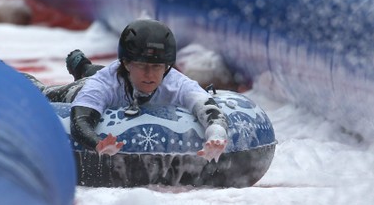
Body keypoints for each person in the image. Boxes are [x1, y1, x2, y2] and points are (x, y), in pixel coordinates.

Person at [29, 19, 229, 162]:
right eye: (142, 65)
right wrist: (97, 143)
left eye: (157, 66)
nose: (150, 74)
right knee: (45, 94)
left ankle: (83, 66)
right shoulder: (103, 83)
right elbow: (80, 119)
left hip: (114, 77)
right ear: (125, 63)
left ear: (167, 66)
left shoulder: (177, 83)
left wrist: (216, 136)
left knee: (97, 74)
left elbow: (210, 110)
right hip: (89, 86)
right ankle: (74, 70)